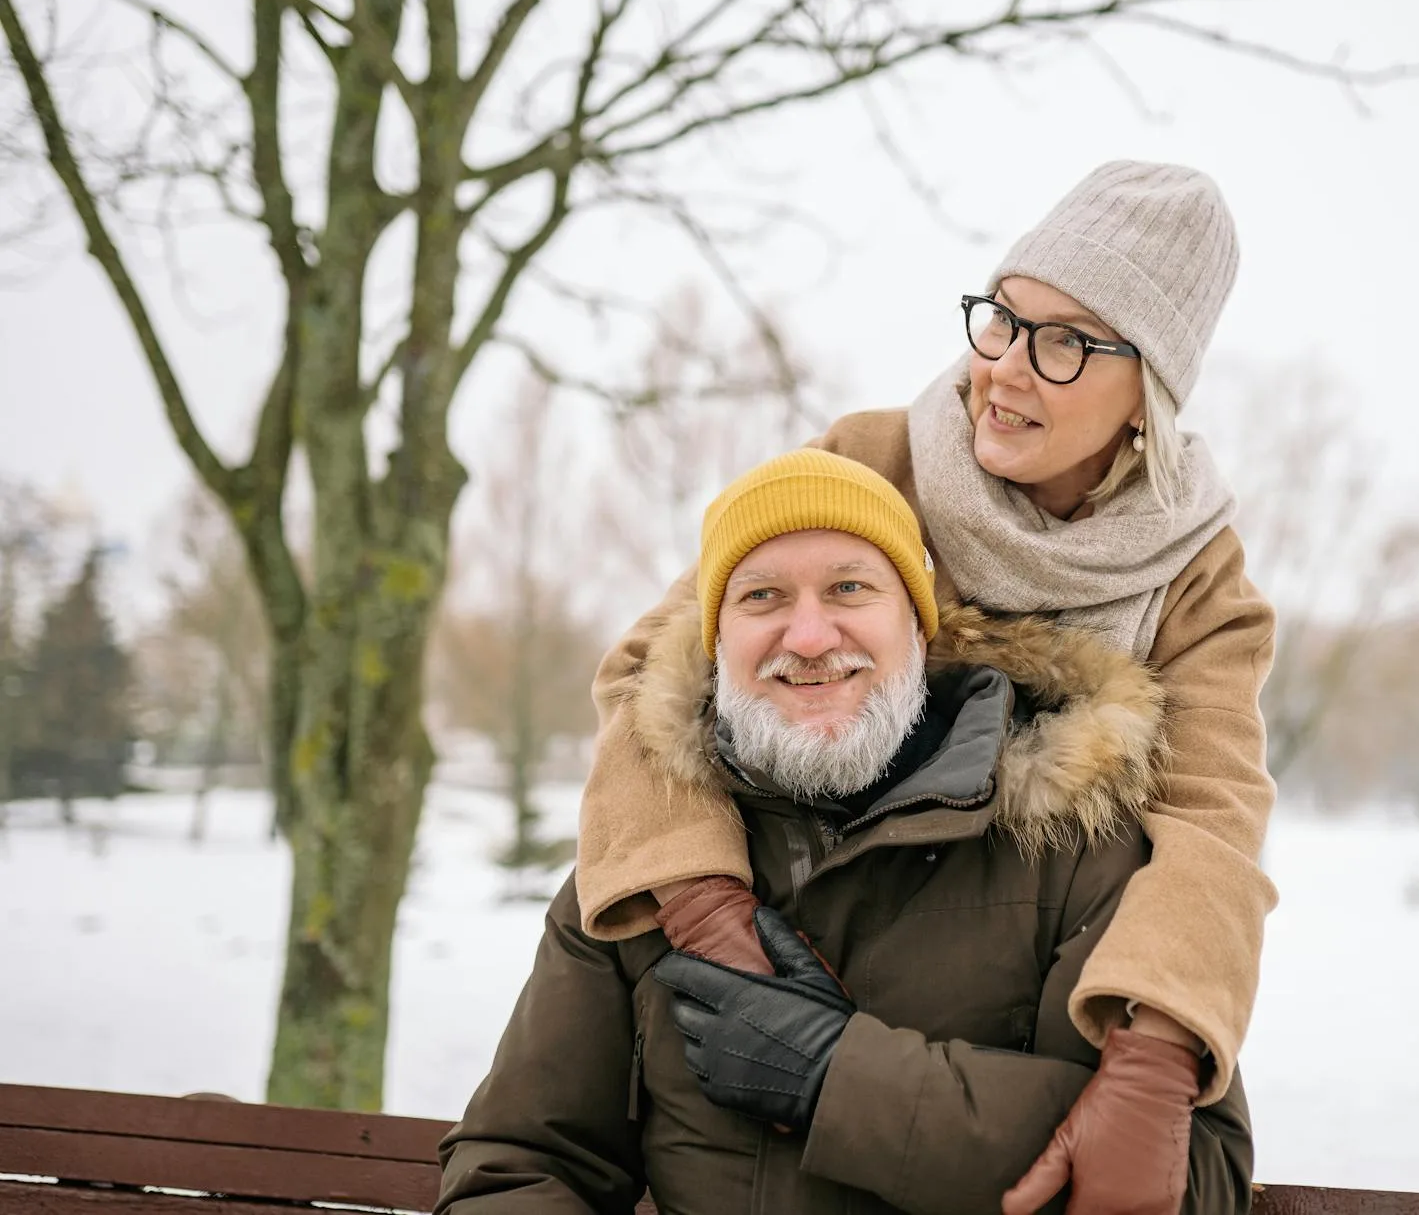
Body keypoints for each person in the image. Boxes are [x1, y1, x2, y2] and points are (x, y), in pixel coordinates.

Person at [576, 161, 1280, 1212]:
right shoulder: (873, 461)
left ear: (1152, 390)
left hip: (1020, 981)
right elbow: (655, 673)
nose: (1003, 369)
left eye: (1066, 343)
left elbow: (1211, 821)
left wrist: (1154, 1049)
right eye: (1001, 318)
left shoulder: (1194, 581)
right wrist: (700, 892)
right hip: (803, 927)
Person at [436, 450, 1255, 1214]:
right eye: (761, 597)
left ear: (921, 626)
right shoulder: (644, 865)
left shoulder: (1078, 846)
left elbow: (1197, 1177)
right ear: (716, 645)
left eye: (850, 589)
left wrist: (837, 1077)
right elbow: (521, 1162)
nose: (809, 636)